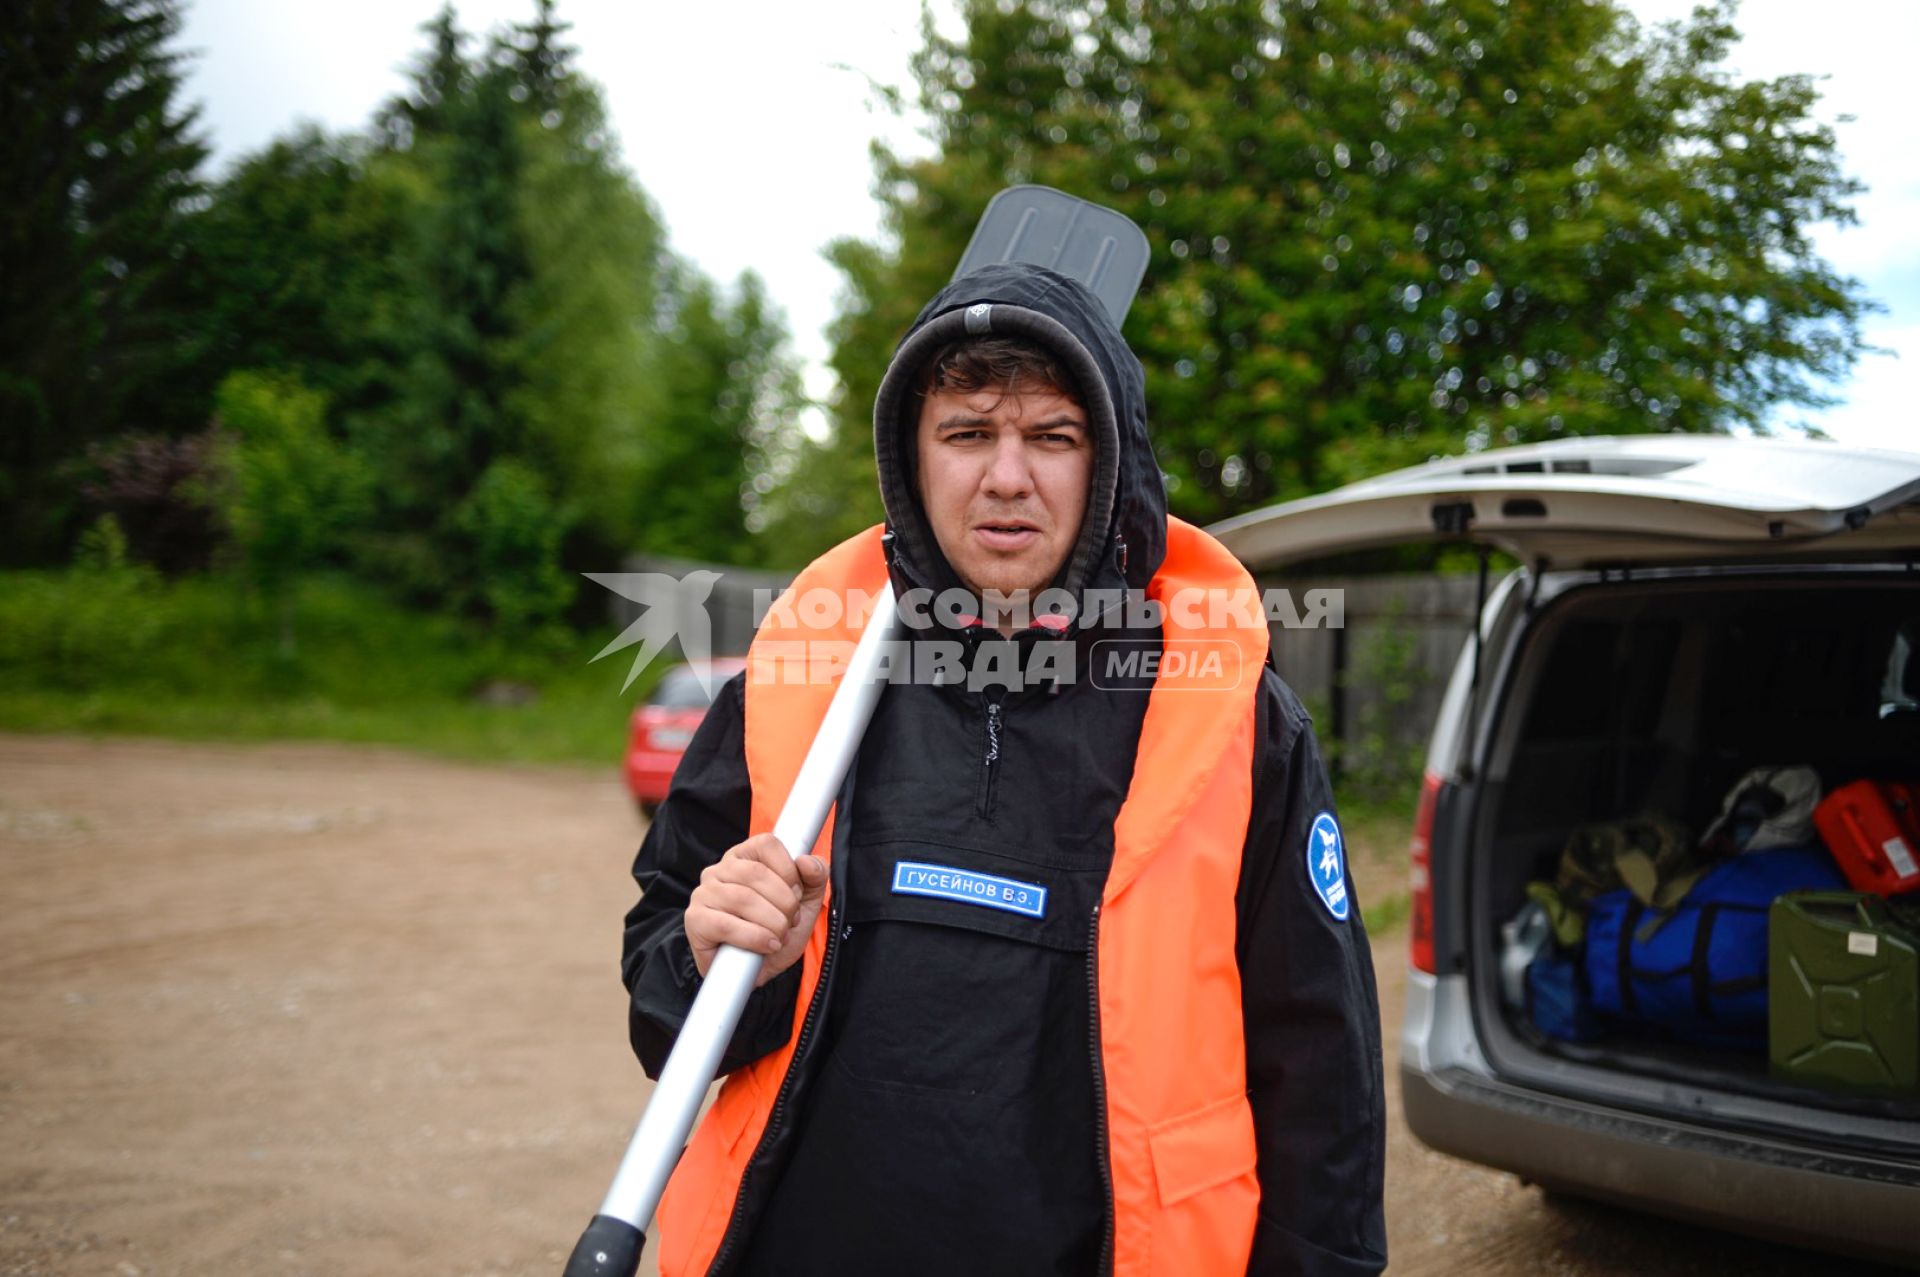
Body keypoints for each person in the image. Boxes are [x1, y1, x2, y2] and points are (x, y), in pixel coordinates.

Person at [622, 262, 1387, 1276]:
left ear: (1109, 462)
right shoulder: (794, 684)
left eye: (1053, 437)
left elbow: (1321, 1067)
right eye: (968, 431)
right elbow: (666, 1003)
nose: (1007, 476)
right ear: (912, 458)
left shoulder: (1236, 719)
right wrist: (722, 959)